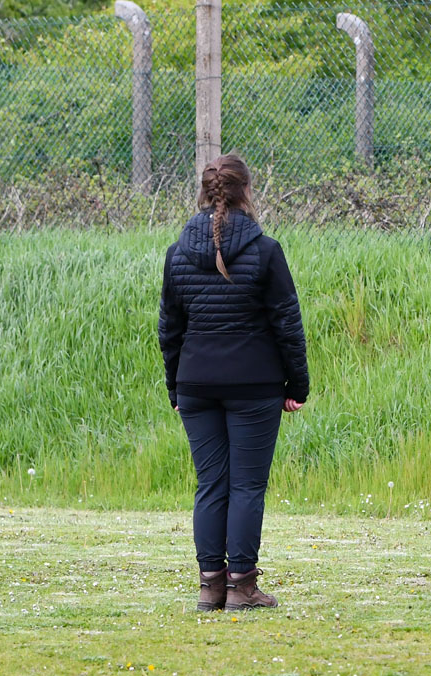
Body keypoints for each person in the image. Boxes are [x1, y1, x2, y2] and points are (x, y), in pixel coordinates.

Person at [158, 153, 309, 612]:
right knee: (246, 486)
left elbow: (170, 330)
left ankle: (210, 588)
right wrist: (297, 386)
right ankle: (243, 585)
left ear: (205, 193)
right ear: (247, 191)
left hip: (196, 385)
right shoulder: (266, 250)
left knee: (210, 485)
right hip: (254, 385)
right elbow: (288, 325)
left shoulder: (178, 252)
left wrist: (175, 390)